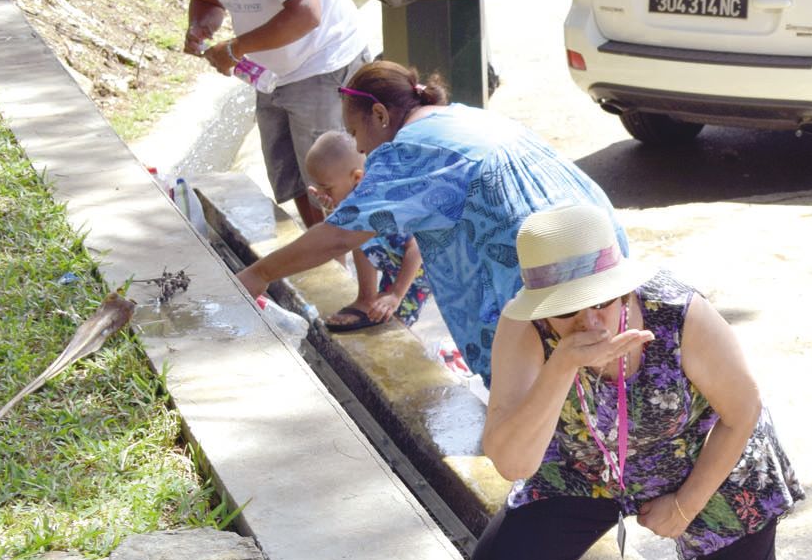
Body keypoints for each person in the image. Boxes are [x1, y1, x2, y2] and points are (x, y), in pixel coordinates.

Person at [475, 202, 812, 560]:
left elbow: (742, 410)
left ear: (625, 288)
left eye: (604, 303)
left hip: (703, 455)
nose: (591, 322)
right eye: (569, 310)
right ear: (542, 308)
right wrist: (564, 363)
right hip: (586, 465)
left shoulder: (676, 312)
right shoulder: (525, 329)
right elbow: (511, 461)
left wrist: (684, 505)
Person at [235, 61, 625, 384]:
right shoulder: (464, 117)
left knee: (543, 396)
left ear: (380, 115)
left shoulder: (410, 149)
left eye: (356, 132)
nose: (358, 148)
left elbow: (338, 237)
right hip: (603, 251)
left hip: (541, 278)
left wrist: (260, 273)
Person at [179, 0, 369, 229]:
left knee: (335, 178)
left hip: (323, 63)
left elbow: (307, 13)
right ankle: (324, 255)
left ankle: (351, 265)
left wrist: (236, 48)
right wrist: (199, 27)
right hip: (271, 73)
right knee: (294, 176)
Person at [302, 131, 433, 333]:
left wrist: (396, 294)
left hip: (423, 267)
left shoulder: (383, 201)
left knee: (394, 317)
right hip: (394, 258)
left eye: (327, 188)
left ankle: (389, 310)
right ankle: (366, 298)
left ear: (357, 177)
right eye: (318, 187)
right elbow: (342, 232)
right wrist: (332, 206)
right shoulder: (357, 195)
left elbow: (416, 248)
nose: (322, 193)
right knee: (353, 228)